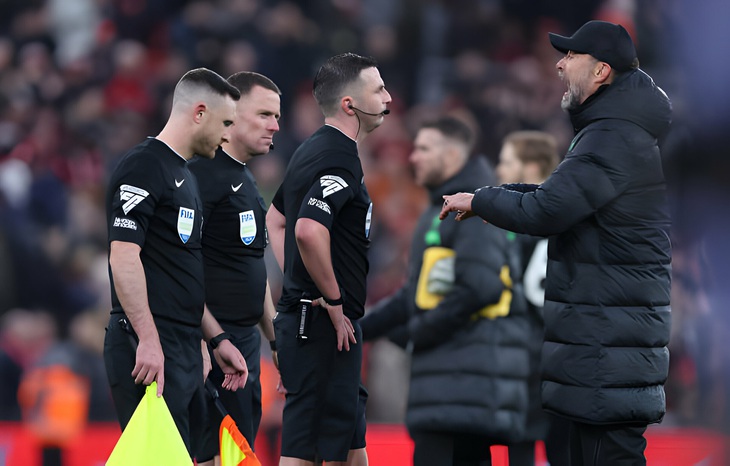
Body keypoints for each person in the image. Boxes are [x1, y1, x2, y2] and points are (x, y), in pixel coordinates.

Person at [440, 20, 672, 466]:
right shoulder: (613, 129)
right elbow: (553, 197)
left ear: (601, 71)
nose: (560, 65)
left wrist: (484, 200)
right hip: (606, 347)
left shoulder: (613, 135)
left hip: (609, 351)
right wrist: (489, 199)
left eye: (571, 56)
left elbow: (548, 211)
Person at [360, 116, 530, 466]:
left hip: (463, 388)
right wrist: (358, 330)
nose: (413, 157)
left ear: (452, 156)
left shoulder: (475, 209)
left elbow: (481, 288)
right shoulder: (443, 208)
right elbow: (416, 296)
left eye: (423, 148)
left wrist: (417, 333)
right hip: (453, 388)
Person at [103, 67, 249, 462]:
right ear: (199, 113)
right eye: (226, 123)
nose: (228, 135)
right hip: (147, 347)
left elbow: (178, 273)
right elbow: (123, 255)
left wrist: (210, 340)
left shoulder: (185, 176)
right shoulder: (143, 166)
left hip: (183, 347)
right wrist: (149, 340)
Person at [266, 52, 391, 466]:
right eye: (378, 90)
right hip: (322, 325)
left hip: (322, 321)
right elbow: (306, 228)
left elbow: (276, 219)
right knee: (309, 445)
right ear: (349, 104)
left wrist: (299, 282)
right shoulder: (338, 156)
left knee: (350, 441)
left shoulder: (311, 149)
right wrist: (330, 300)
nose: (388, 98)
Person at [188, 71, 281, 462]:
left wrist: (276, 340)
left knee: (239, 455)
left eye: (276, 117)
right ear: (231, 114)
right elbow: (176, 269)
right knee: (209, 456)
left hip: (244, 347)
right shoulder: (198, 178)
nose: (274, 126)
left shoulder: (244, 179)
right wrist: (207, 339)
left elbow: (251, 269)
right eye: (264, 114)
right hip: (212, 350)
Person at [494, 131, 568, 466]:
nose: (499, 170)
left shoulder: (518, 218)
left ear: (532, 166)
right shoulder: (568, 212)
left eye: (507, 162)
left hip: (526, 347)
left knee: (521, 442)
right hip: (564, 349)